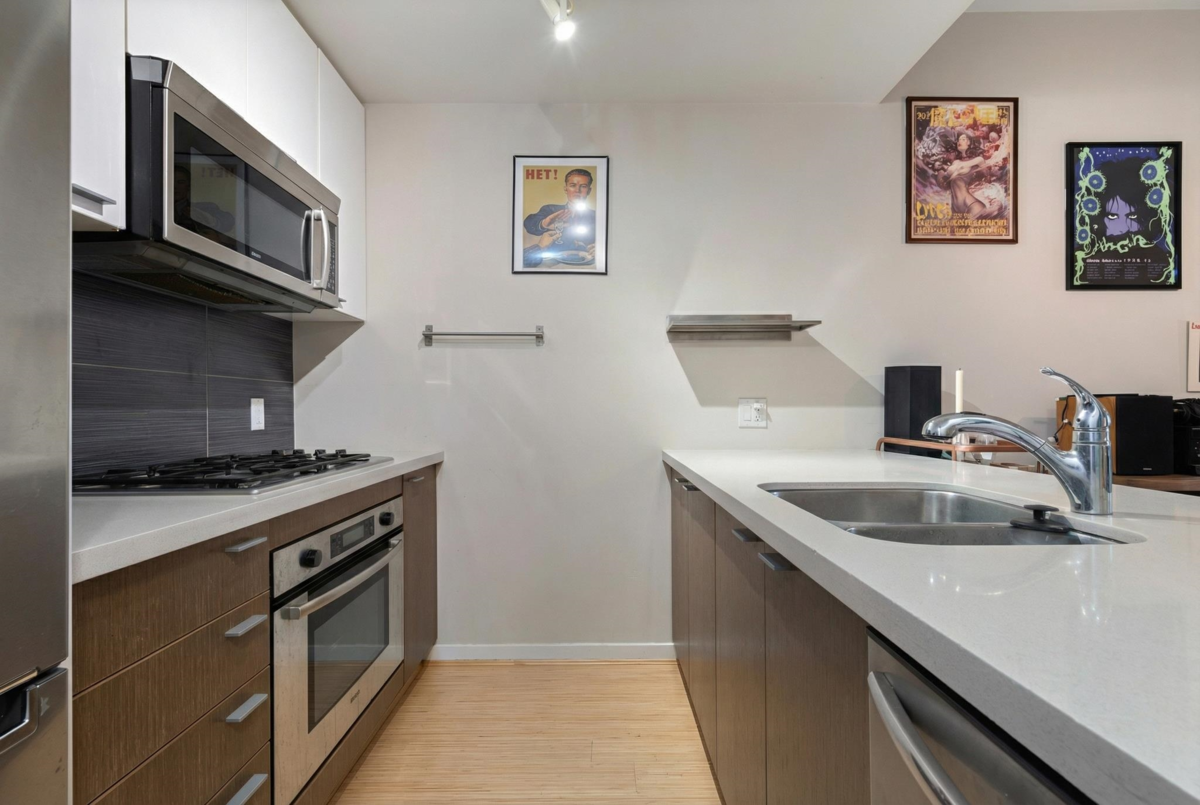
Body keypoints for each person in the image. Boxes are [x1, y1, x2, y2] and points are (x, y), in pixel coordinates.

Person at [522, 169, 596, 266]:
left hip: (587, 263)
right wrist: (544, 224)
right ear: (566, 189)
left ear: (589, 191)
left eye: (583, 186)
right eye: (573, 185)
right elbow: (529, 223)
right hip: (552, 264)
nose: (577, 190)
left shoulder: (596, 216)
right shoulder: (551, 209)